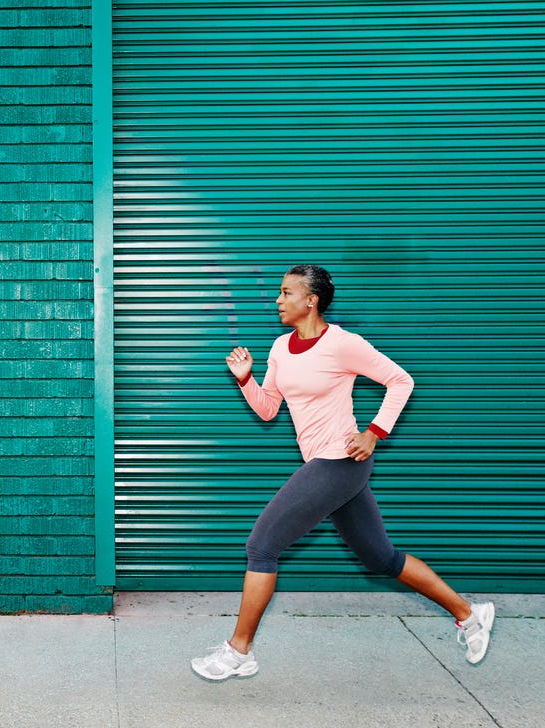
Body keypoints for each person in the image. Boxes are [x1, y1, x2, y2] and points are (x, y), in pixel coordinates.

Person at [191, 264, 494, 682]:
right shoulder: (280, 347)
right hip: (324, 464)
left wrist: (373, 432)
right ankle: (470, 614)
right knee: (380, 557)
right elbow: (269, 409)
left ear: (310, 301)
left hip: (340, 461)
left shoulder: (344, 344)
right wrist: (246, 380)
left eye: (285, 293)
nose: (277, 300)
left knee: (261, 546)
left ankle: (239, 651)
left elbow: (400, 381)